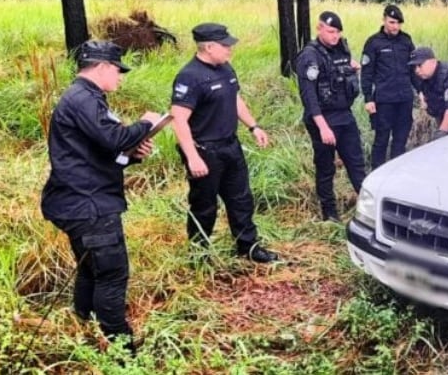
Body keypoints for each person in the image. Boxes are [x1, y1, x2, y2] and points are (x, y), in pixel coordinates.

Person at [41, 40, 160, 352]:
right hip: (89, 205)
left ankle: (84, 325)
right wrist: (146, 124)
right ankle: (122, 350)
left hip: (79, 200)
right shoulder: (84, 99)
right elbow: (113, 138)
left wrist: (131, 154)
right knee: (111, 274)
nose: (120, 78)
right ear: (104, 67)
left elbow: (96, 152)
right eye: (118, 71)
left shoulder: (85, 98)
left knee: (91, 268)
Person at [170, 23, 277, 263]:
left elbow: (235, 99)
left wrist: (253, 126)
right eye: (225, 45)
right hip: (205, 151)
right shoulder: (190, 76)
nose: (230, 49)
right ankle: (200, 256)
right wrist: (192, 156)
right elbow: (179, 120)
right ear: (208, 47)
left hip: (230, 146)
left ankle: (248, 247)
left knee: (241, 199)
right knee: (204, 206)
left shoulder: (226, 68)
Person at [295, 11, 366, 223]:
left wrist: (354, 69)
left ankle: (366, 205)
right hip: (323, 119)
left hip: (344, 115)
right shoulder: (310, 56)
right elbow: (309, 96)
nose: (335, 36)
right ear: (319, 29)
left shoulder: (341, 49)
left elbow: (345, 77)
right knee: (326, 168)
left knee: (356, 162)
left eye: (337, 32)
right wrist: (323, 127)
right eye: (331, 31)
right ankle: (330, 214)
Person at [361, 4, 416, 169]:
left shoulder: (406, 41)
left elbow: (414, 70)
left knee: (401, 139)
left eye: (398, 23)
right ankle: (376, 172)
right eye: (392, 22)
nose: (395, 26)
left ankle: (395, 172)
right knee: (381, 138)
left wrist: (421, 91)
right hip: (384, 99)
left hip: (404, 98)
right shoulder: (373, 43)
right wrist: (368, 99)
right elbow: (367, 73)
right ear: (384, 19)